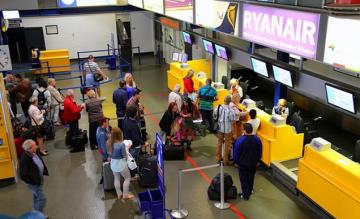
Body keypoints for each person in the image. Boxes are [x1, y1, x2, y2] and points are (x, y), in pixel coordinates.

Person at [233, 123, 262, 200]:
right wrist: (258, 160)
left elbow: (236, 152)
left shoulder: (240, 140)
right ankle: (249, 190)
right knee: (251, 177)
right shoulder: (257, 139)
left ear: (245, 130)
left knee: (243, 179)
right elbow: (260, 151)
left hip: (242, 164)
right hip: (253, 163)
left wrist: (235, 162)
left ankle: (245, 195)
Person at [19, 139, 49, 216]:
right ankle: (37, 216)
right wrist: (32, 182)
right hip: (33, 183)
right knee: (42, 199)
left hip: (39, 179)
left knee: (36, 197)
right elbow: (23, 175)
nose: (36, 146)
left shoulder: (34, 152)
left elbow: (39, 162)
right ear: (29, 148)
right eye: (35, 145)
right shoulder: (24, 159)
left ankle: (35, 213)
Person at [108, 128, 134, 200]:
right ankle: (125, 195)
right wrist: (127, 148)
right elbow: (124, 156)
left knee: (116, 179)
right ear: (119, 135)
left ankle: (119, 194)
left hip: (113, 163)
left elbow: (109, 154)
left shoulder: (109, 143)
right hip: (121, 164)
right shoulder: (121, 144)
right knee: (127, 178)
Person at [213, 96, 237, 166]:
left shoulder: (218, 107)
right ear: (230, 102)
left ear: (224, 100)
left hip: (220, 128)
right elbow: (233, 120)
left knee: (219, 143)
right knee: (227, 145)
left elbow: (214, 116)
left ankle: (218, 158)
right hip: (228, 130)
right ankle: (226, 161)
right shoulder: (231, 110)